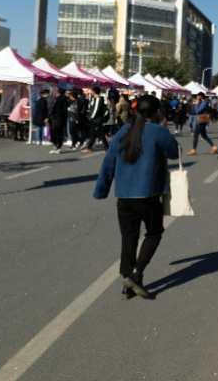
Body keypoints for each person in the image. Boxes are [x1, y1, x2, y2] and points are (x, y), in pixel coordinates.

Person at [93, 94, 179, 300]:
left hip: (124, 196)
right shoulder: (159, 132)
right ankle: (136, 273)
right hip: (148, 195)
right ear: (157, 112)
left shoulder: (123, 131)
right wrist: (164, 127)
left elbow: (109, 162)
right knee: (154, 233)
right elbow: (175, 152)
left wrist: (101, 190)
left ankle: (127, 282)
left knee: (128, 238)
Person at [82, 87, 110, 153]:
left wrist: (91, 117)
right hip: (95, 119)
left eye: (91, 91)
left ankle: (91, 147)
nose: (90, 92)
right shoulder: (94, 99)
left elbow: (96, 110)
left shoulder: (98, 99)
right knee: (96, 133)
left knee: (98, 133)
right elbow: (90, 107)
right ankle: (105, 147)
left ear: (94, 91)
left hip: (96, 119)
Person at [49, 87, 68, 154]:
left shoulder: (62, 99)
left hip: (59, 118)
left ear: (58, 92)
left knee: (58, 133)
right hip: (56, 118)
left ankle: (58, 147)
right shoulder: (57, 99)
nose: (55, 92)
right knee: (55, 133)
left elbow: (64, 110)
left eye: (56, 91)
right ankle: (56, 147)